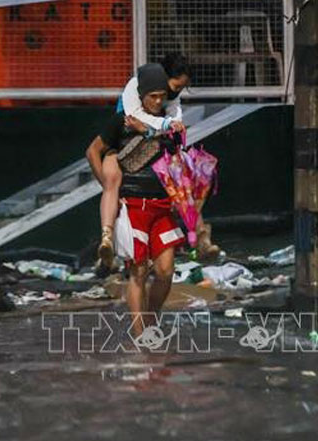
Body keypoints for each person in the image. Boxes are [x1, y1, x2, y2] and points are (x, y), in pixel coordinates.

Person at [85, 64, 184, 336]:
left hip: (162, 206)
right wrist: (106, 185)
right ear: (140, 95)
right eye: (152, 96)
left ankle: (152, 318)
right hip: (134, 206)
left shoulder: (168, 121)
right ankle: (140, 333)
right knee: (138, 272)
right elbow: (93, 151)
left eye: (161, 95)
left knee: (166, 271)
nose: (157, 101)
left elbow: (175, 152)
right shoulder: (123, 120)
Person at [96, 54, 219, 269]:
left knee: (183, 181)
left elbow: (174, 115)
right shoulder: (138, 90)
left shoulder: (167, 97)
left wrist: (172, 127)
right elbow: (137, 119)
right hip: (127, 144)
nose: (173, 94)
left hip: (152, 144)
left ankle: (200, 237)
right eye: (175, 87)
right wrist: (163, 126)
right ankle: (108, 246)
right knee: (114, 189)